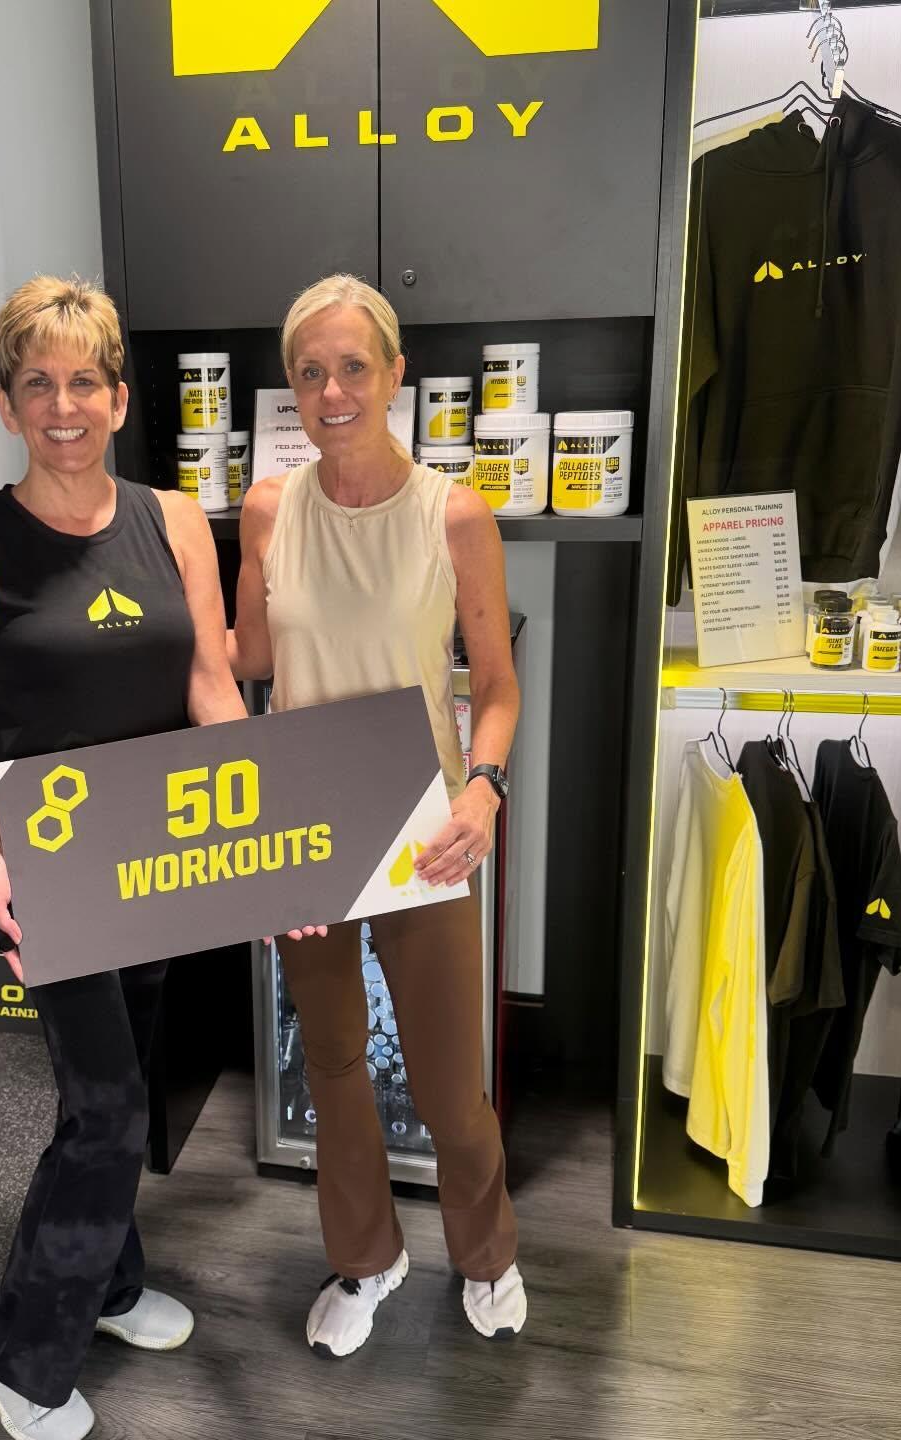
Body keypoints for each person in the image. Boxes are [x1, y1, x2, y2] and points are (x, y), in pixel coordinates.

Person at [0, 275, 248, 1439]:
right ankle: (14, 1343)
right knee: (105, 1108)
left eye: (85, 383)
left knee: (124, 1080)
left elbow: (209, 682)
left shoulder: (175, 520)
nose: (64, 406)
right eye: (38, 384)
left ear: (118, 398)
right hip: (41, 863)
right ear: (8, 405)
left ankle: (104, 1282)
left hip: (155, 848)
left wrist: (273, 834)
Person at [229, 274, 526, 1357]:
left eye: (354, 366)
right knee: (337, 1066)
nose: (331, 390)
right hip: (303, 825)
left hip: (423, 826)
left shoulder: (454, 514)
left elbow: (494, 686)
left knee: (451, 1090)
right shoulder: (268, 508)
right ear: (291, 390)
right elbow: (248, 662)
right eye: (309, 372)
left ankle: (487, 1253)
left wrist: (485, 787)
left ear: (397, 376)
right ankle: (367, 1257)